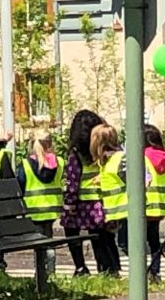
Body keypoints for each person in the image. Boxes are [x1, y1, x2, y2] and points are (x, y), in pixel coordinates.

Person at [61, 109, 115, 277]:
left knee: (71, 231)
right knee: (100, 237)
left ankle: (80, 266)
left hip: (79, 203)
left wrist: (69, 201)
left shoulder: (76, 155)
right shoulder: (102, 152)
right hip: (99, 201)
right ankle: (106, 267)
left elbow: (72, 180)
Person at [17, 130, 63, 275]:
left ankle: (40, 272)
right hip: (52, 209)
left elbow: (21, 183)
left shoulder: (26, 164)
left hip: (34, 209)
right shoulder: (59, 162)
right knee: (49, 239)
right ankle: (50, 269)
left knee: (38, 241)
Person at [91, 123, 125, 276]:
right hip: (113, 211)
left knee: (126, 244)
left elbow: (134, 180)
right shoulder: (105, 161)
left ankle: (141, 275)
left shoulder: (120, 158)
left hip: (124, 210)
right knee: (107, 239)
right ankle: (113, 271)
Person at [144, 124, 165, 283]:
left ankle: (145, 272)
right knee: (154, 240)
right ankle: (156, 271)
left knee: (140, 241)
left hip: (146, 204)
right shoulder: (163, 156)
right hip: (159, 205)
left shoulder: (144, 157)